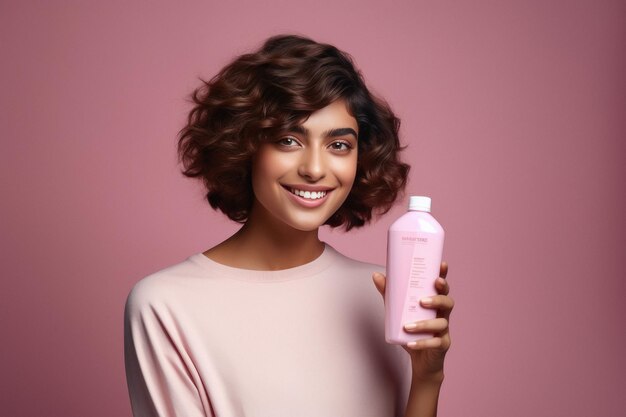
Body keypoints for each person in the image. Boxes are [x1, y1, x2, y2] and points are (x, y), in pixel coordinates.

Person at [124, 34, 454, 417]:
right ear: (245, 146)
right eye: (288, 139)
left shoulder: (385, 297)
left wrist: (428, 377)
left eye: (339, 145)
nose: (314, 169)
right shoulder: (165, 305)